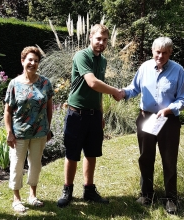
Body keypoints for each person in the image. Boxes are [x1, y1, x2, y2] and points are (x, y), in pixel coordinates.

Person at [116, 37, 184, 214]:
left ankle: (171, 198)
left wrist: (169, 110)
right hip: (146, 118)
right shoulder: (144, 68)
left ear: (170, 52)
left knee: (169, 160)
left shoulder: (178, 70)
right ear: (152, 51)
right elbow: (134, 88)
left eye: (165, 53)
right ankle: (146, 194)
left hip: (168, 121)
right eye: (158, 52)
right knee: (146, 157)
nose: (161, 56)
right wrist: (122, 93)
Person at [57, 24, 122, 208]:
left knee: (91, 152)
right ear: (90, 37)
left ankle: (89, 189)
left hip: (93, 115)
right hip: (76, 113)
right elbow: (92, 83)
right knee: (72, 154)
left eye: (105, 40)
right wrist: (115, 91)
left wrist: (100, 113)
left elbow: (97, 92)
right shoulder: (81, 55)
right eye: (98, 39)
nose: (101, 43)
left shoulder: (103, 61)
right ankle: (67, 189)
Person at [4, 46, 54, 212]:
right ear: (22, 61)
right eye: (29, 60)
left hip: (39, 133)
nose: (33, 63)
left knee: (35, 165)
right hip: (19, 133)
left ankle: (32, 195)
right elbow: (8, 111)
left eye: (36, 60)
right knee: (17, 165)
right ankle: (16, 198)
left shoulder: (45, 83)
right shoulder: (14, 84)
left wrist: (47, 128)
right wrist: (9, 132)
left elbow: (49, 108)